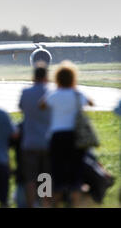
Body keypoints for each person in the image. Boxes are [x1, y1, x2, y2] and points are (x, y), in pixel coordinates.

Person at [40, 61, 94, 207]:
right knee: (76, 175)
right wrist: (74, 89)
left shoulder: (54, 94)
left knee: (57, 175)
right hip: (75, 137)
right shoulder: (77, 94)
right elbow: (91, 102)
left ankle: (56, 202)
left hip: (57, 137)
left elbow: (42, 105)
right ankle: (75, 202)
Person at [19, 64, 51, 207]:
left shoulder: (25, 93)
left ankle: (31, 204)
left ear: (34, 77)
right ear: (46, 77)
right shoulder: (51, 93)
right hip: (47, 141)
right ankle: (45, 204)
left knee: (31, 179)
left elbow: (21, 108)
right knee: (45, 176)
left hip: (30, 141)